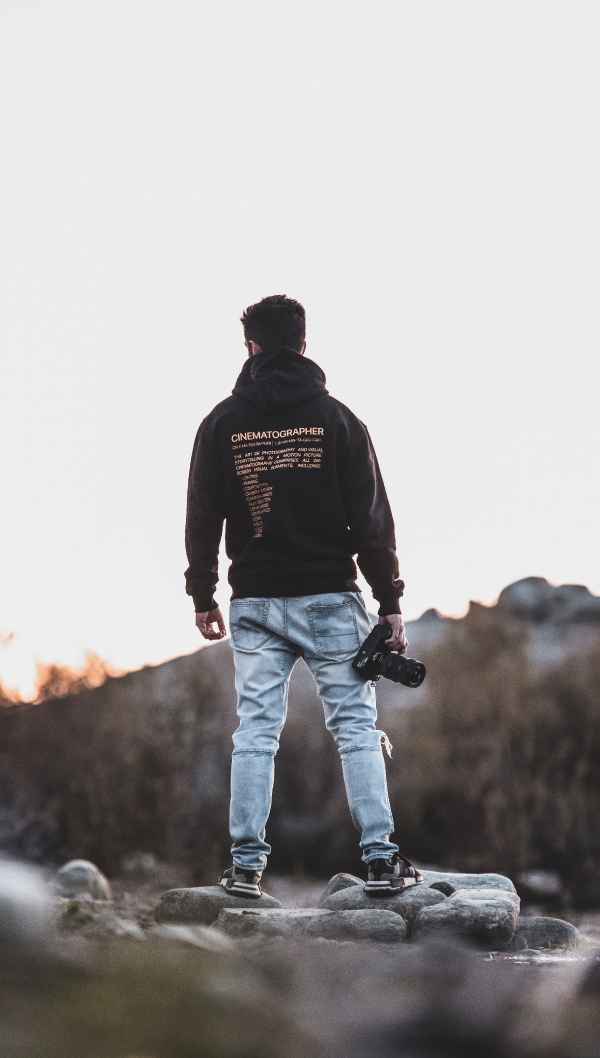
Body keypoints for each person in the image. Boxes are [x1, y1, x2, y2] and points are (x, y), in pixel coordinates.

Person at [185, 294, 423, 899]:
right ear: (304, 343)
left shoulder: (220, 423)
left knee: (256, 732)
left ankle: (243, 868)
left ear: (252, 348)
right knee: (356, 730)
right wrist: (389, 600)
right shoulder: (339, 420)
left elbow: (201, 515)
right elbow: (372, 518)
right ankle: (379, 859)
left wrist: (202, 592)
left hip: (255, 602)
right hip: (329, 599)